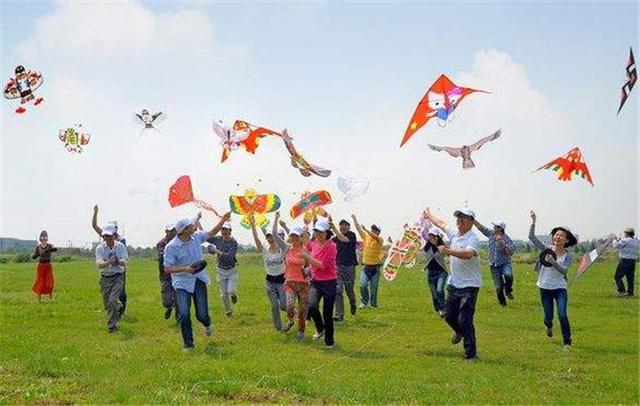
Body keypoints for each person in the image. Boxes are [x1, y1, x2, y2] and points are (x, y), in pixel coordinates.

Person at [164, 213, 231, 351]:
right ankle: (188, 345)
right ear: (183, 230)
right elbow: (167, 268)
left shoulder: (196, 237)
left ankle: (207, 324)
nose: (193, 226)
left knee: (202, 315)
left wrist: (223, 219)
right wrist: (185, 269)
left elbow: (212, 232)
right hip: (181, 283)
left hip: (198, 279)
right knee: (184, 313)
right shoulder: (171, 247)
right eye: (190, 226)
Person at [426, 207, 481, 361]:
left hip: (470, 285)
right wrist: (429, 215)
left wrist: (448, 251)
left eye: (463, 217)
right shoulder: (455, 234)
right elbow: (442, 223)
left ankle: (471, 354)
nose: (459, 219)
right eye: (458, 217)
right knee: (448, 314)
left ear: (471, 221)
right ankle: (459, 331)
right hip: (454, 284)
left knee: (465, 319)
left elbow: (469, 254)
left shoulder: (473, 239)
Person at [528, 210, 576, 349]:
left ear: (566, 240)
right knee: (548, 317)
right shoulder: (545, 249)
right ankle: (548, 326)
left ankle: (567, 342)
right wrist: (533, 220)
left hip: (560, 288)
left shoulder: (567, 256)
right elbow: (531, 237)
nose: (558, 237)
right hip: (544, 287)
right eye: (556, 235)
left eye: (561, 235)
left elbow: (564, 271)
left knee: (562, 314)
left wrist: (553, 262)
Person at [301, 218, 341, 348]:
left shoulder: (331, 246)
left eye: (321, 232)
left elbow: (322, 265)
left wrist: (308, 258)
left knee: (327, 313)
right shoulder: (314, 244)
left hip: (329, 283)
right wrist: (305, 229)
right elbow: (306, 243)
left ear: (327, 233)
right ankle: (320, 329)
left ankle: (329, 342)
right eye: (316, 232)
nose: (318, 234)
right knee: (311, 307)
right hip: (316, 282)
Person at [249, 213, 287, 331]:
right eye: (268, 237)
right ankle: (279, 328)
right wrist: (253, 226)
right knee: (274, 306)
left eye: (271, 236)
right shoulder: (265, 250)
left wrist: (276, 218)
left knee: (283, 305)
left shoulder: (283, 249)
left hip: (282, 280)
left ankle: (293, 313)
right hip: (270, 281)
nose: (270, 238)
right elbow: (257, 240)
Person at [92, 204, 128, 316]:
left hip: (119, 268)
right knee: (108, 299)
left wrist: (118, 261)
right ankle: (114, 307)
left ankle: (120, 311)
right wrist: (95, 212)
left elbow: (123, 258)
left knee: (120, 292)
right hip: (106, 270)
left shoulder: (121, 240)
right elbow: (94, 226)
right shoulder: (105, 236)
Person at [474, 218, 516, 306]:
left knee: (508, 275)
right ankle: (502, 304)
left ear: (500, 228)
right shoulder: (490, 234)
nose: (493, 227)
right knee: (498, 287)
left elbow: (511, 251)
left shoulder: (506, 238)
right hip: (493, 265)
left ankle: (508, 290)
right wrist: (472, 219)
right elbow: (481, 227)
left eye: (496, 226)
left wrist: (502, 243)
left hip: (505, 263)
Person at [94, 225, 128, 333]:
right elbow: (99, 265)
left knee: (112, 300)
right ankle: (119, 305)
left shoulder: (120, 246)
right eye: (105, 236)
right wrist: (109, 262)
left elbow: (125, 261)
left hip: (117, 277)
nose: (107, 238)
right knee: (107, 304)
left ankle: (112, 326)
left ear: (113, 235)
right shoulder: (100, 248)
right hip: (105, 278)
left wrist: (118, 261)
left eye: (109, 236)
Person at [207, 222, 239, 317]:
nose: (224, 231)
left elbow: (229, 257)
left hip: (231, 270)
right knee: (223, 294)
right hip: (220, 270)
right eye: (222, 229)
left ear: (230, 232)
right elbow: (207, 237)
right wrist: (199, 224)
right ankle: (228, 311)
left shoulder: (234, 243)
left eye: (226, 229)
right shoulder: (218, 239)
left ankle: (233, 295)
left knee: (231, 291)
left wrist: (216, 251)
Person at [352, 214, 383, 309]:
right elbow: (358, 228)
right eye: (372, 229)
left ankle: (373, 304)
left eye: (375, 230)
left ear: (378, 232)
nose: (373, 231)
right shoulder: (366, 237)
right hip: (366, 267)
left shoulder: (380, 239)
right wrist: (355, 219)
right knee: (363, 285)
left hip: (375, 268)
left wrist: (366, 229)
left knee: (374, 289)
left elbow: (374, 236)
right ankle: (364, 301)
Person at [332, 219, 358, 321]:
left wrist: (333, 227)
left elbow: (344, 240)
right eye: (341, 225)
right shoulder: (335, 238)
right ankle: (339, 314)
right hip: (338, 267)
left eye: (345, 225)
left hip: (349, 267)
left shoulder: (352, 235)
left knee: (349, 290)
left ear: (349, 227)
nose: (343, 226)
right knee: (338, 290)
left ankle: (353, 303)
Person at [423, 227, 447, 317]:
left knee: (440, 290)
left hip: (441, 272)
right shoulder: (427, 247)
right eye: (430, 235)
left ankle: (444, 308)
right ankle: (438, 309)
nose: (432, 237)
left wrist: (437, 245)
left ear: (438, 237)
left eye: (434, 236)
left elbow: (447, 252)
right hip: (431, 273)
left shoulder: (442, 247)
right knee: (434, 294)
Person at [156, 223, 178, 320]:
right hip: (165, 274)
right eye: (171, 230)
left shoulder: (179, 242)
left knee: (179, 297)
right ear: (166, 232)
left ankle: (180, 319)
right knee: (167, 301)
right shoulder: (161, 243)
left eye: (174, 230)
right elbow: (162, 256)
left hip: (178, 273)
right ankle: (169, 307)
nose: (173, 232)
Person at [31, 230, 58, 303]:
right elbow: (34, 256)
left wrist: (49, 249)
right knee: (40, 282)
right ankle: (39, 300)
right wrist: (37, 254)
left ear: (47, 238)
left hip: (48, 266)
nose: (44, 238)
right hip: (41, 266)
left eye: (45, 236)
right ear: (40, 238)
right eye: (42, 236)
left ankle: (50, 298)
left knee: (50, 282)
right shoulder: (38, 247)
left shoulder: (49, 245)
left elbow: (55, 249)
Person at [612, 228, 639, 298]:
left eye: (625, 233)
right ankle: (630, 294)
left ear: (627, 233)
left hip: (625, 260)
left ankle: (621, 291)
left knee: (617, 276)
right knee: (630, 278)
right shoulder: (636, 241)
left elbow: (615, 246)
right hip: (633, 261)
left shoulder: (625, 240)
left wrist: (614, 240)